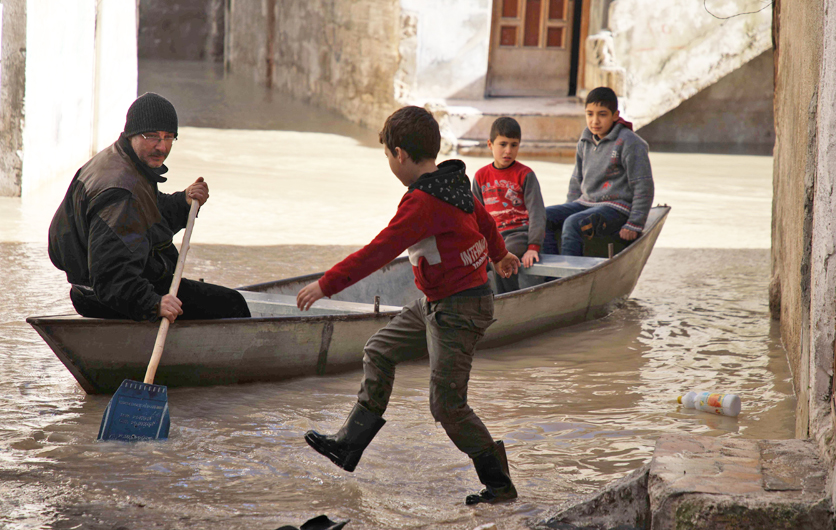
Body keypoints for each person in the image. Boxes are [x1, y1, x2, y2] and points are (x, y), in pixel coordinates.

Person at [295, 106, 521, 506]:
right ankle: (349, 444)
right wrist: (500, 255)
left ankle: (500, 487)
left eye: (387, 155)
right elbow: (486, 221)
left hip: (460, 309)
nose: (389, 162)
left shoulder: (423, 202)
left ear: (400, 154)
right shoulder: (452, 182)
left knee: (447, 406)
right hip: (439, 302)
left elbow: (379, 251)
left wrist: (325, 285)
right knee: (379, 350)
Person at [48, 92, 251, 324]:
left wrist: (183, 201)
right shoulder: (121, 192)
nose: (161, 147)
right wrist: (153, 304)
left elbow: (146, 216)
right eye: (152, 136)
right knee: (232, 304)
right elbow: (112, 276)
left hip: (97, 290)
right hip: (106, 297)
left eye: (168, 137)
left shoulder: (123, 161)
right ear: (132, 134)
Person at [543, 87, 654, 256]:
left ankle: (570, 271)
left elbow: (643, 185)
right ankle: (552, 270)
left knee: (573, 223)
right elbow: (576, 180)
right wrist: (567, 209)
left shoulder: (630, 142)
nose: (595, 121)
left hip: (617, 209)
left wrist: (634, 223)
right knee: (542, 217)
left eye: (602, 114)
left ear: (615, 115)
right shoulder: (585, 140)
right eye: (590, 114)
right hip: (586, 203)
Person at [472, 117, 546, 294]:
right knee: (472, 261)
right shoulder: (480, 176)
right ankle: (478, 300)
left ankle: (509, 298)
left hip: (519, 235)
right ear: (490, 144)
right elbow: (475, 216)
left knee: (503, 256)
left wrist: (533, 246)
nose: (508, 151)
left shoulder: (525, 175)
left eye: (514, 145)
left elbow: (537, 213)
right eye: (503, 144)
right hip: (492, 236)